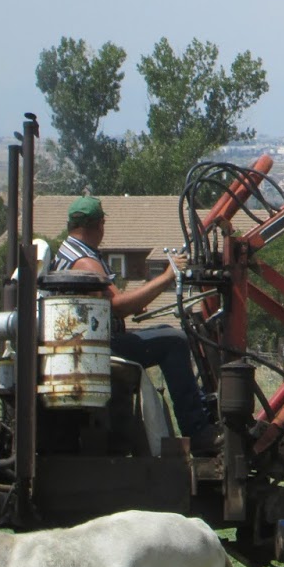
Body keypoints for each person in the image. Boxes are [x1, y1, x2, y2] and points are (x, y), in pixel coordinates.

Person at [50, 195, 220, 456]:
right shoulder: (85, 262)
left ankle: (201, 418)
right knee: (175, 342)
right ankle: (197, 431)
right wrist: (167, 278)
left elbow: (108, 303)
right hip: (98, 350)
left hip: (89, 344)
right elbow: (117, 305)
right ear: (99, 225)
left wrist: (139, 300)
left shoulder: (69, 251)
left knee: (166, 333)